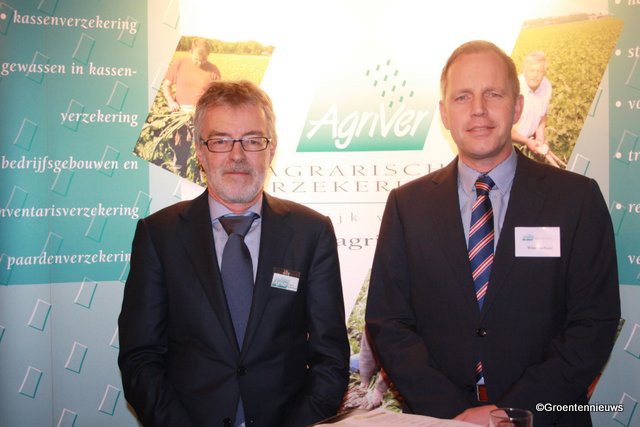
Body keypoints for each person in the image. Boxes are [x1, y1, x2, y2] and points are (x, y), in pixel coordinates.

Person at [365, 40, 620, 426]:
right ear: (444, 114)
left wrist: (513, 412)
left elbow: (594, 322)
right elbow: (389, 322)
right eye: (462, 97)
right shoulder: (407, 205)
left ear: (517, 107)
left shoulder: (576, 199)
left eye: (493, 94)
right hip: (440, 419)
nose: (478, 109)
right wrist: (453, 415)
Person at [119, 80, 350, 427]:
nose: (237, 155)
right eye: (221, 140)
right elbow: (140, 357)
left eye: (253, 140)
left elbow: (331, 358)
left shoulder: (311, 233)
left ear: (272, 149)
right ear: (200, 151)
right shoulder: (159, 236)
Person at [161, 38, 221, 174]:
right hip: (180, 114)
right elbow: (166, 85)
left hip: (202, 117)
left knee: (202, 151)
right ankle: (178, 173)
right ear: (190, 51)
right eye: (196, 59)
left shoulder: (214, 71)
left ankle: (200, 177)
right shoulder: (180, 63)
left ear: (208, 55)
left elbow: (218, 97)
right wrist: (171, 102)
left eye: (203, 60)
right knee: (180, 147)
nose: (199, 63)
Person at [510, 51, 561, 167]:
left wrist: (540, 137)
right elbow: (505, 130)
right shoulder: (514, 88)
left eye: (539, 71)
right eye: (532, 70)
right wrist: (527, 141)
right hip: (511, 144)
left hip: (530, 141)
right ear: (524, 70)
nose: (535, 75)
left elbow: (542, 115)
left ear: (544, 72)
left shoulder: (546, 86)